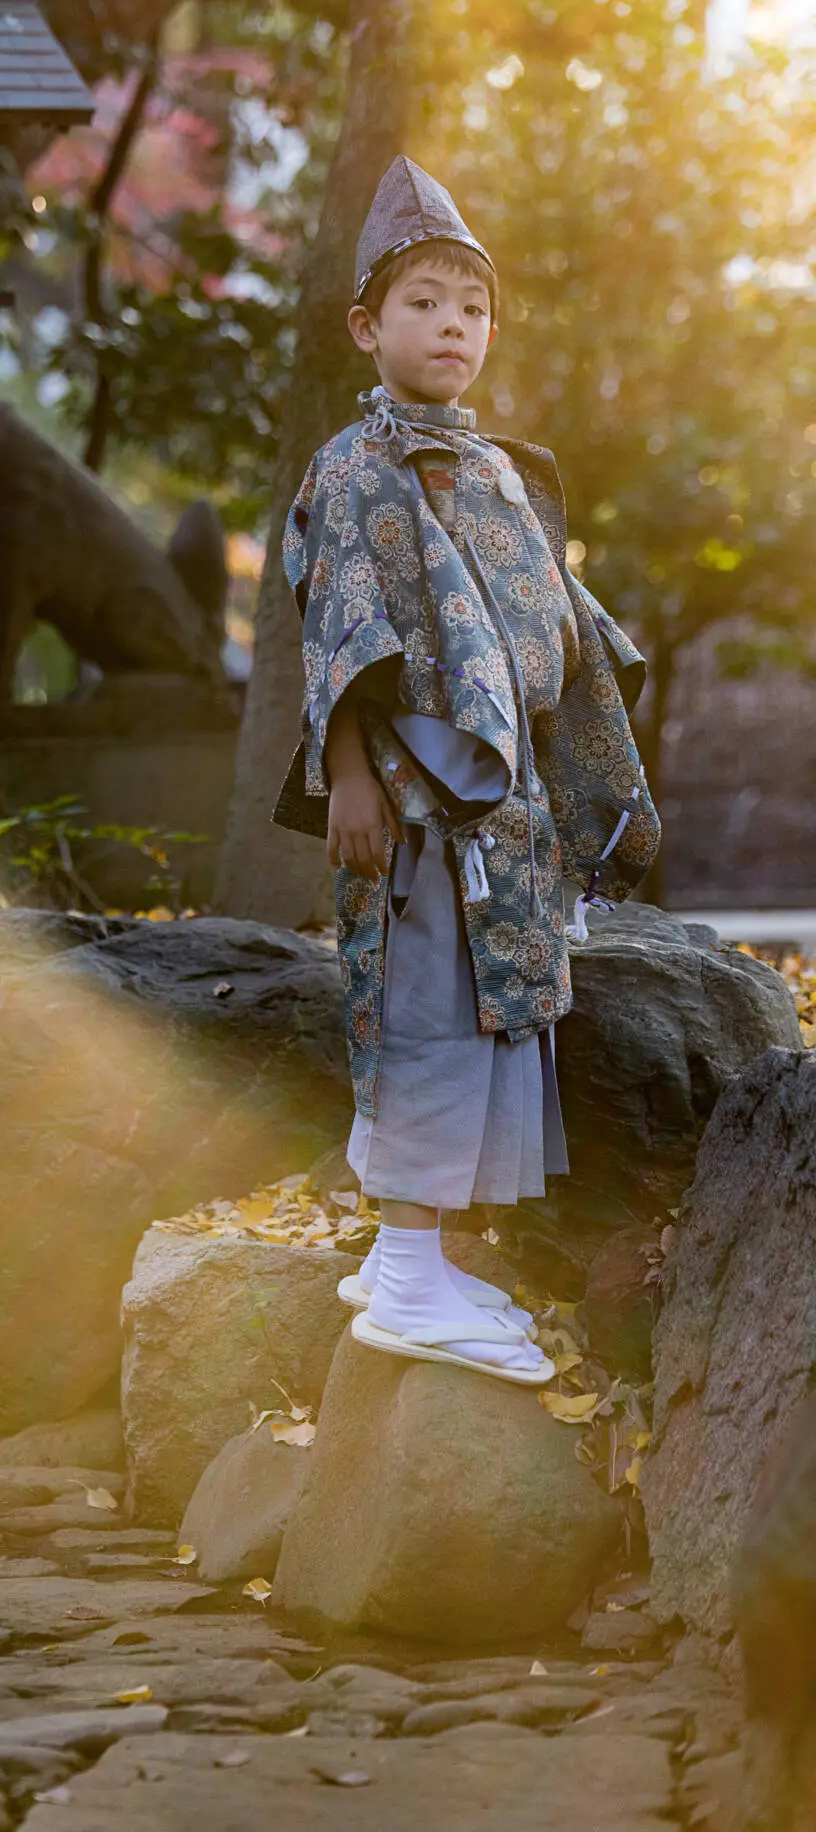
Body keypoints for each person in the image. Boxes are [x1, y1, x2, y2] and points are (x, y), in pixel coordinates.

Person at [272, 156, 661, 1386]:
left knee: (487, 1011)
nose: (451, 325)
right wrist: (345, 773)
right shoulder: (352, 467)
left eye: (471, 306)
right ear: (366, 326)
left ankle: (418, 1255)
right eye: (424, 302)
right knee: (423, 1007)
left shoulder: (493, 471)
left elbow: (551, 626)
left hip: (501, 813)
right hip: (408, 796)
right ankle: (403, 1267)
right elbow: (336, 626)